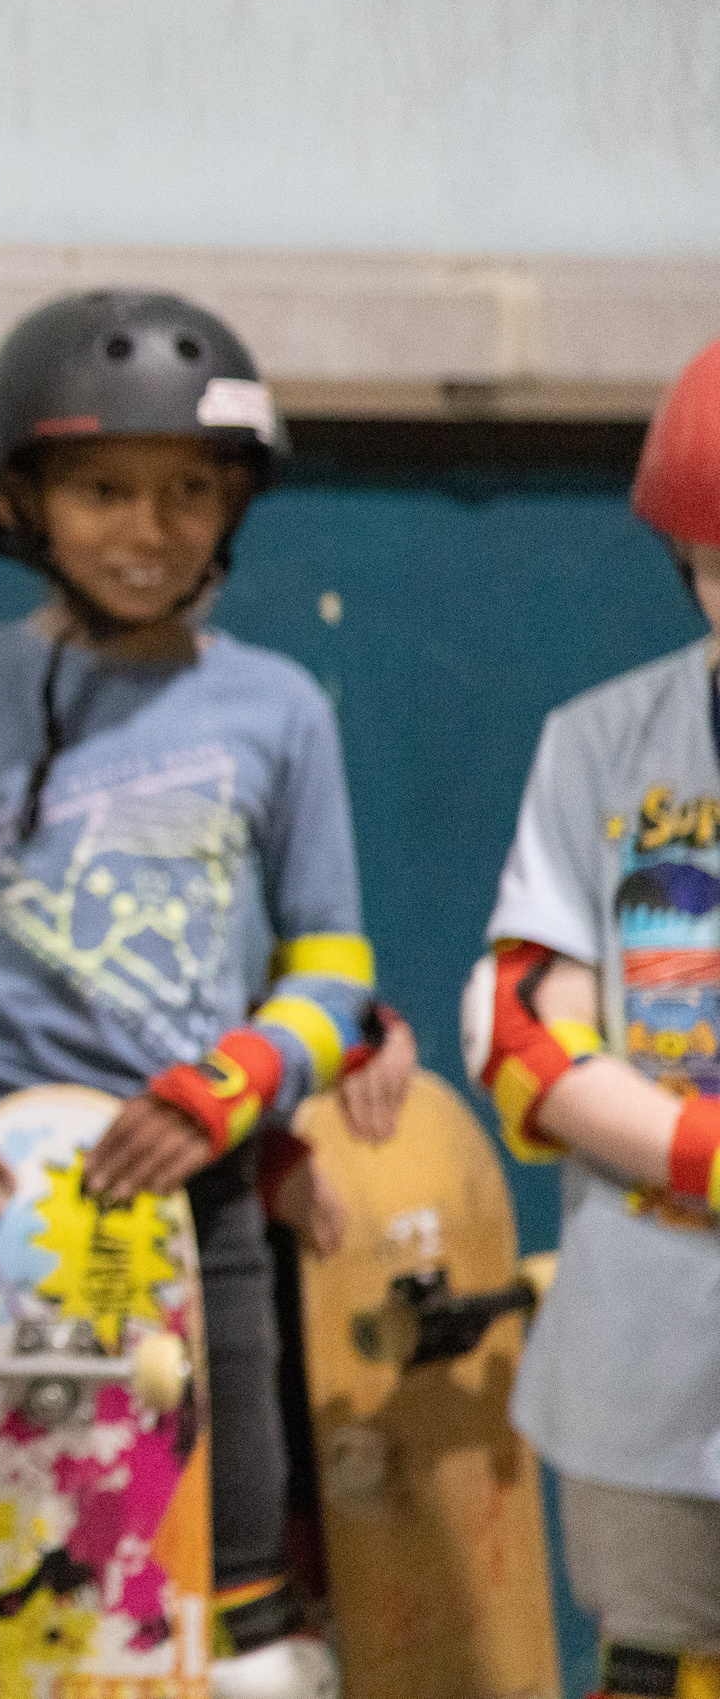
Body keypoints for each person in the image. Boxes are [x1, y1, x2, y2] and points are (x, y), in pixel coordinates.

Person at [0, 290, 387, 1696]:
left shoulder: (280, 706)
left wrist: (231, 1085)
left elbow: (336, 961)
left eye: (191, 491)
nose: (150, 525)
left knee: (225, 1574)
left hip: (202, 1191)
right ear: (23, 497)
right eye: (106, 488)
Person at [463, 335, 720, 1699]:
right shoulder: (605, 741)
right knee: (653, 1655)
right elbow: (522, 1026)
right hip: (653, 1331)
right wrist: (701, 1152)